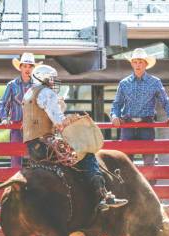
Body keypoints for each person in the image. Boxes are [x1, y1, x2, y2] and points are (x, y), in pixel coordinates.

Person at [22, 65, 128, 212]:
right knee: (86, 154)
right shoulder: (47, 93)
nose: (54, 82)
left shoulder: (29, 93)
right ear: (43, 78)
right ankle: (102, 195)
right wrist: (72, 119)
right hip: (46, 144)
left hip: (33, 147)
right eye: (51, 79)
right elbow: (59, 122)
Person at [110, 48, 169, 168]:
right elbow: (117, 103)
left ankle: (150, 186)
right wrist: (115, 115)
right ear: (131, 64)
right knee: (125, 162)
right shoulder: (124, 83)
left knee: (149, 160)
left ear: (146, 64)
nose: (137, 65)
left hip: (147, 124)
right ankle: (127, 187)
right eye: (135, 62)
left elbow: (165, 101)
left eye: (140, 62)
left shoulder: (155, 82)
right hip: (127, 124)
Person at [0, 53, 39, 167]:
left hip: (33, 127)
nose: (27, 69)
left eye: (30, 66)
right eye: (25, 66)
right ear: (20, 67)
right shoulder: (12, 85)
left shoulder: (37, 86)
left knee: (36, 157)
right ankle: (16, 182)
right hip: (16, 126)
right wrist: (4, 118)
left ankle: (35, 183)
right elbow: (2, 104)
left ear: (33, 68)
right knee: (16, 158)